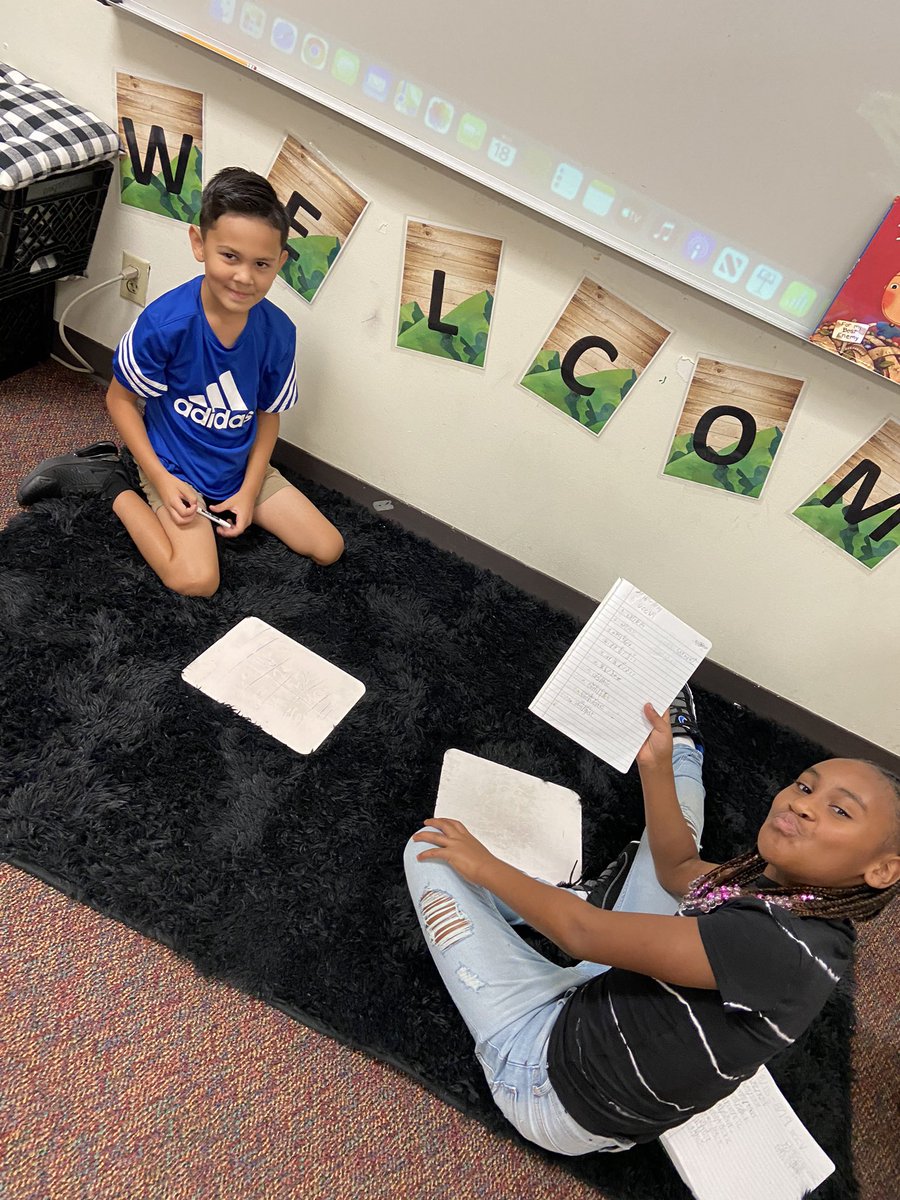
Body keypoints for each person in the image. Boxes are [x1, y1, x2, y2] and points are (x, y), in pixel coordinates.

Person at [404, 687, 900, 1156]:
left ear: (881, 870)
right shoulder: (799, 904)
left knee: (431, 851)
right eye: (805, 785)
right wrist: (656, 765)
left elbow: (581, 935)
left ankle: (580, 901)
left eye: (838, 811)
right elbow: (678, 871)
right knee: (672, 837)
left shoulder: (775, 945)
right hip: (616, 992)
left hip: (542, 1075)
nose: (802, 804)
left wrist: (485, 864)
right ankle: (678, 749)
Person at [17, 167, 343, 596]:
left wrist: (248, 491)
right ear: (199, 244)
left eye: (261, 263)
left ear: (280, 262)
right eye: (230, 256)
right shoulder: (166, 323)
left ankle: (236, 490)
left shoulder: (278, 332)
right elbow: (120, 400)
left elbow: (267, 415)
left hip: (240, 467)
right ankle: (110, 483)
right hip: (173, 466)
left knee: (328, 547)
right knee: (196, 580)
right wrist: (162, 478)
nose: (245, 277)